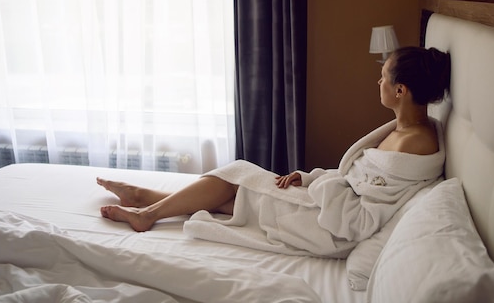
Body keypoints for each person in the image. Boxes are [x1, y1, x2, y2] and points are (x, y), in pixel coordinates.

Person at [98, 46, 451, 257]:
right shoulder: (405, 132)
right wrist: (311, 177)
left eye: (384, 77)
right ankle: (149, 199)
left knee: (237, 179)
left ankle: (148, 211)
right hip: (325, 202)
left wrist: (319, 188)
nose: (378, 82)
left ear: (401, 89)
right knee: (236, 189)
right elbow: (357, 181)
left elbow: (364, 217)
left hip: (327, 227)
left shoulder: (415, 143)